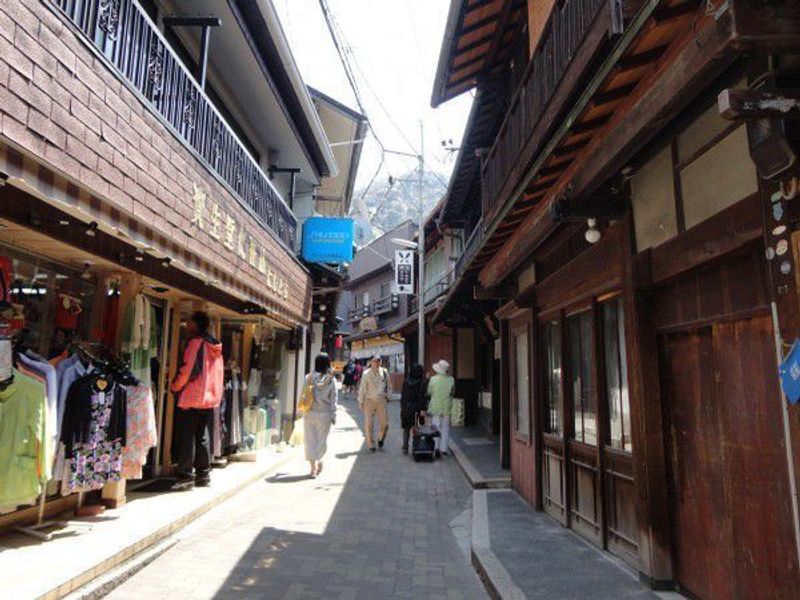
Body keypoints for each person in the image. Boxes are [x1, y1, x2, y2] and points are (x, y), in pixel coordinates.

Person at [170, 311, 224, 488]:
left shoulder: (196, 343)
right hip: (209, 399)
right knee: (202, 436)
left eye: (189, 322)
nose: (186, 325)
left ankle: (185, 476)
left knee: (188, 437)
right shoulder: (215, 346)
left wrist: (175, 386)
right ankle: (203, 475)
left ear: (196, 325)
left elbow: (188, 370)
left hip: (193, 397)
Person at [303, 353, 338, 478]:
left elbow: (303, 394)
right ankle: (320, 460)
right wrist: (334, 414)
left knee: (309, 439)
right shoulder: (331, 380)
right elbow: (334, 398)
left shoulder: (308, 377)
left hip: (309, 412)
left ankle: (312, 469)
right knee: (321, 440)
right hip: (325, 413)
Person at [357, 355, 390, 452]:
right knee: (369, 424)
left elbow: (389, 384)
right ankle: (371, 444)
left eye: (378, 361)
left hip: (381, 401)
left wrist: (388, 395)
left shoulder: (384, 372)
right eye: (374, 361)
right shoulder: (366, 374)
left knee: (385, 424)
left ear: (380, 362)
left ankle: (380, 438)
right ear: (370, 362)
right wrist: (360, 401)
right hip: (369, 401)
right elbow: (362, 388)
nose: (376, 363)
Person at [427, 359, 455, 458]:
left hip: (435, 406)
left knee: (435, 427)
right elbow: (452, 393)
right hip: (447, 406)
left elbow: (429, 392)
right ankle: (444, 449)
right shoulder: (451, 380)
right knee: (446, 428)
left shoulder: (433, 379)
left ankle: (436, 447)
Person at [400, 364, 428, 455]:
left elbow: (403, 395)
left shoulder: (406, 381)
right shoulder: (422, 383)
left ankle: (405, 447)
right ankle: (415, 446)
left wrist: (403, 407)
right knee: (416, 428)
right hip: (416, 409)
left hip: (406, 408)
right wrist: (423, 410)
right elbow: (422, 398)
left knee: (406, 428)